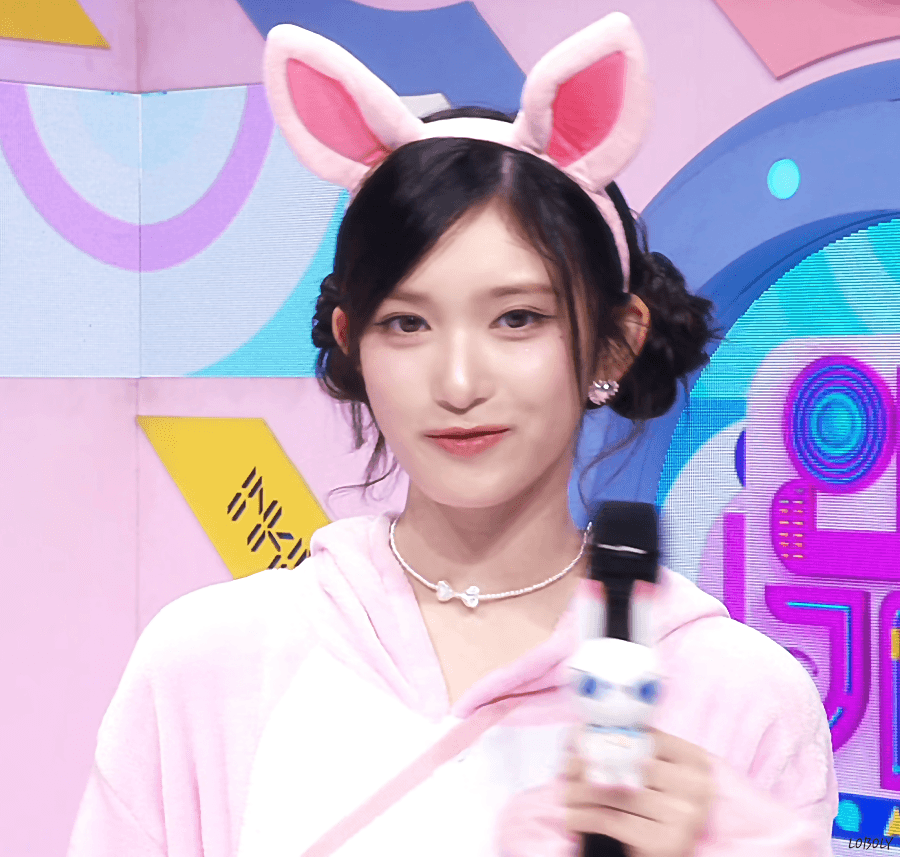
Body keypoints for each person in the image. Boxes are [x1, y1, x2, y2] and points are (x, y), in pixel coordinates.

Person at [67, 14, 838, 857]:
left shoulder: (740, 696)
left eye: (518, 318)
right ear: (353, 342)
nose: (460, 382)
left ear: (612, 343)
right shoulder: (207, 665)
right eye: (407, 323)